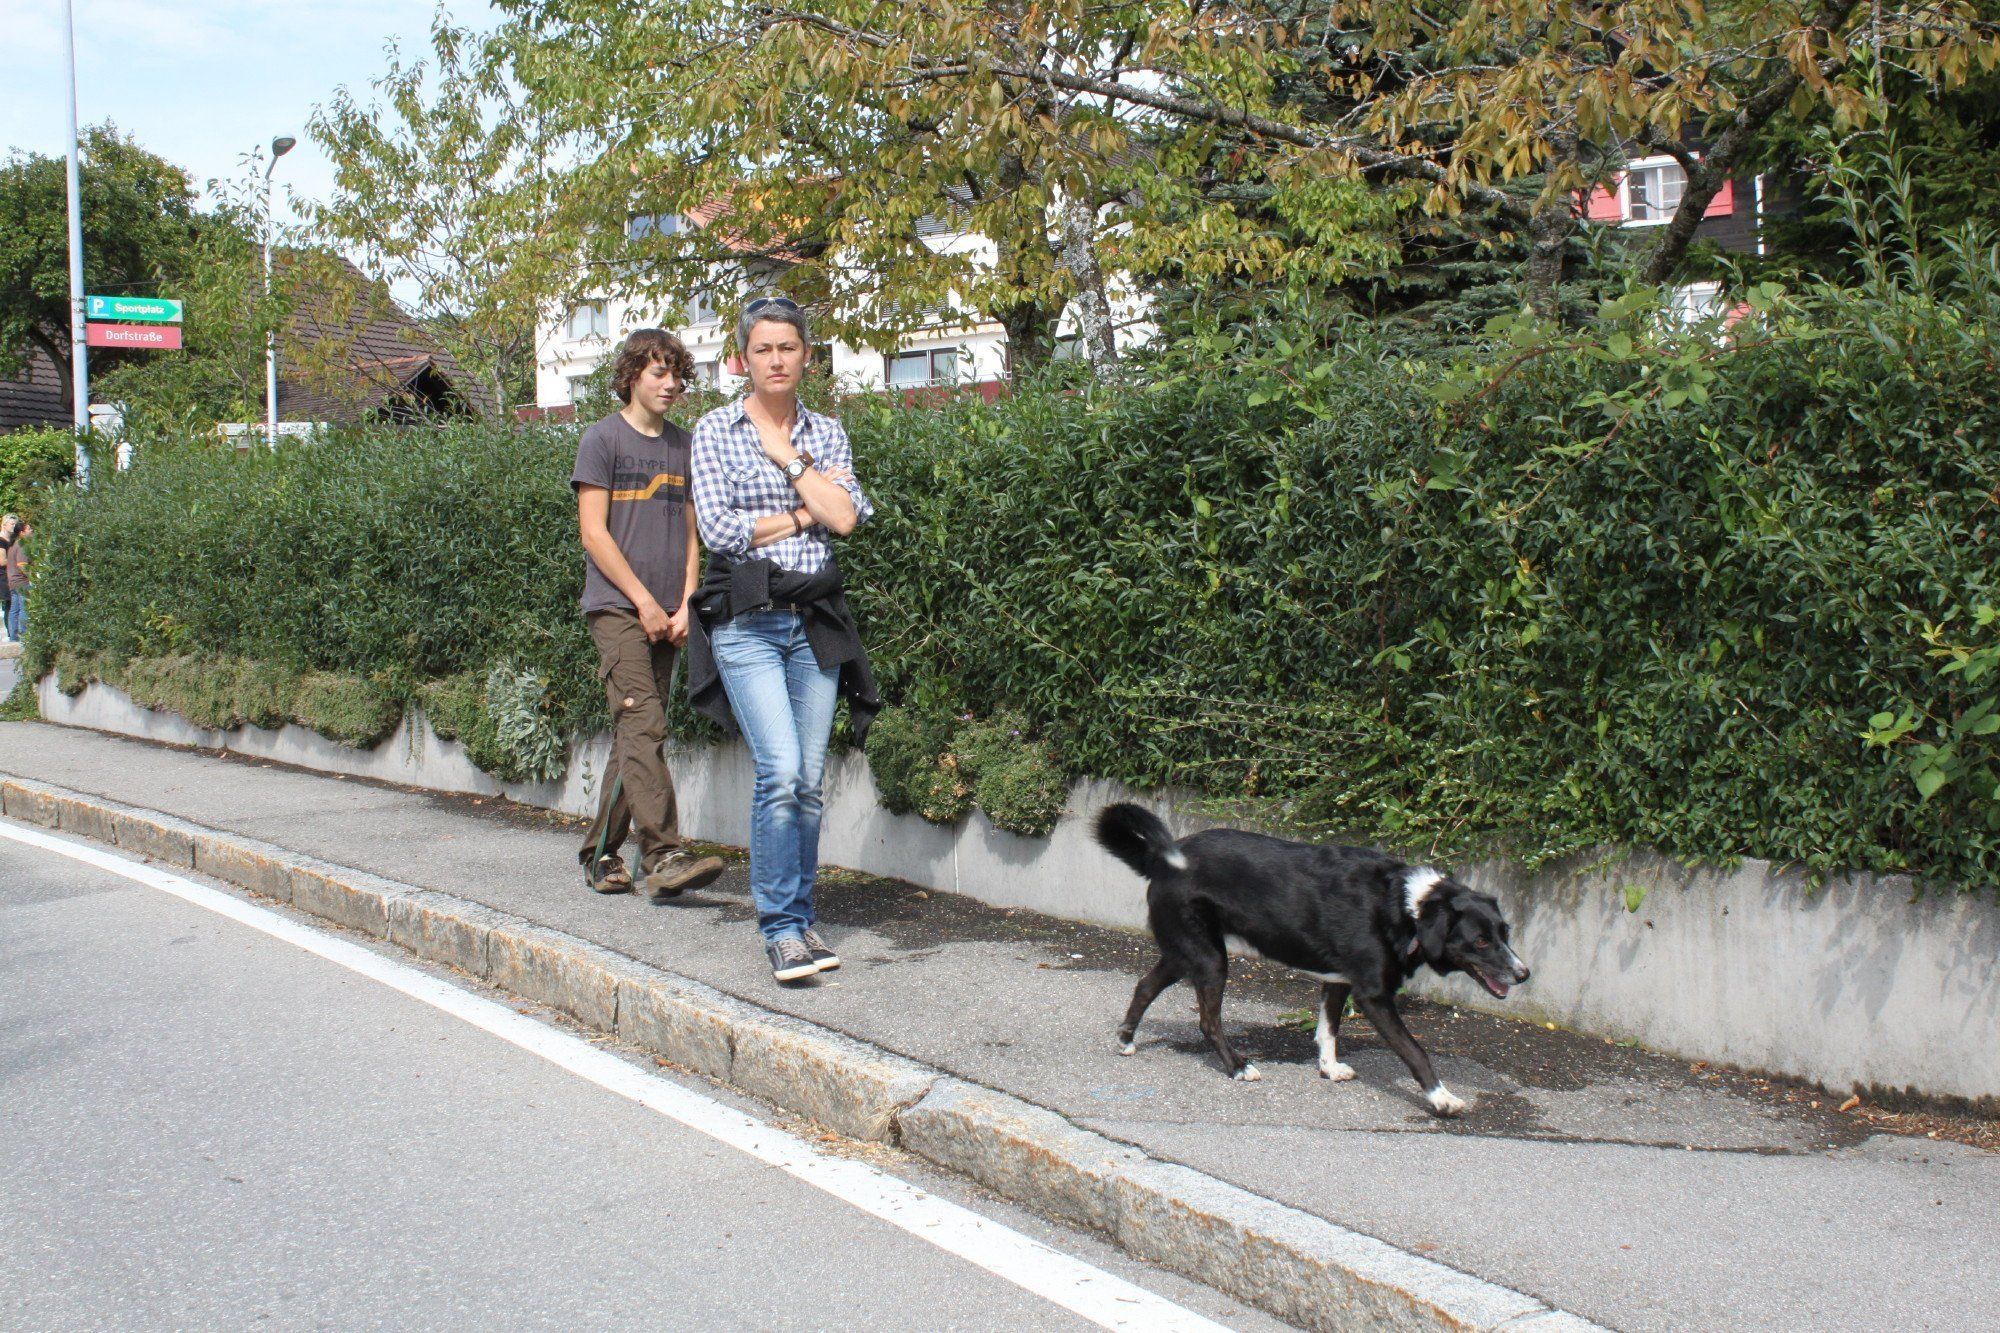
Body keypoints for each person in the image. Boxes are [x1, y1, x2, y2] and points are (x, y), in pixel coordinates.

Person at [687, 296, 879, 983]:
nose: (776, 360)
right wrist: (806, 511)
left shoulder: (825, 432)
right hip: (748, 623)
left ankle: (800, 917)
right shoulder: (714, 429)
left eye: (788, 347)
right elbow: (721, 531)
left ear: (807, 356)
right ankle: (779, 928)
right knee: (781, 772)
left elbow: (847, 517)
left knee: (810, 782)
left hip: (814, 622)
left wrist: (788, 460)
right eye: (763, 349)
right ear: (742, 359)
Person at [572, 329, 727, 899]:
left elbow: (691, 533)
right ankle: (664, 854)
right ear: (632, 375)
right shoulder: (602, 439)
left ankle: (600, 856)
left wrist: (687, 601)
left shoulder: (684, 446)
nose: (671, 384)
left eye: (677, 374)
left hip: (667, 610)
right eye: (659, 372)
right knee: (644, 724)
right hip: (617, 607)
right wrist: (642, 600)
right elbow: (594, 533)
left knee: (635, 731)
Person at [1, 515, 27, 643]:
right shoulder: (4, 542)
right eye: (12, 523)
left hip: (11, 577)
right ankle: (16, 634)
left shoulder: (11, 542)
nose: (13, 526)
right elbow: (2, 561)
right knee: (14, 606)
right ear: (4, 525)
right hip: (8, 578)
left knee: (13, 607)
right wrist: (14, 562)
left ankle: (13, 635)